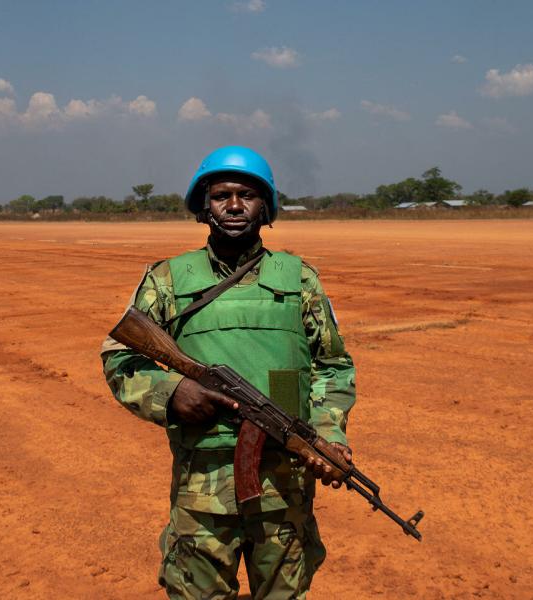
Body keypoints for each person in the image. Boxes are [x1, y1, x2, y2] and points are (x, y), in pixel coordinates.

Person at [100, 146, 356, 599]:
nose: (234, 206)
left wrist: (328, 433)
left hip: (284, 492)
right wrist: (172, 391)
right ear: (204, 205)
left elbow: (333, 366)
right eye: (222, 195)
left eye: (247, 195)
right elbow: (121, 356)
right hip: (201, 493)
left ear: (266, 207)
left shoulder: (299, 279)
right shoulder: (168, 280)